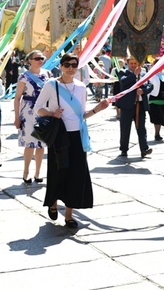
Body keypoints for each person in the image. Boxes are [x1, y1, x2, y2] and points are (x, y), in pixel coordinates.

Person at [36, 53, 109, 228]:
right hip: (59, 136)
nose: (71, 68)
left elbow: (82, 115)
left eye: (74, 65)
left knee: (76, 174)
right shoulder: (51, 84)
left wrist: (98, 109)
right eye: (67, 64)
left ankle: (69, 214)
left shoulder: (81, 87)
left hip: (77, 136)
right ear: (61, 66)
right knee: (58, 171)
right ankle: (53, 202)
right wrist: (52, 113)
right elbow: (38, 108)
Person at [13, 50, 50, 184]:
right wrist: (16, 117)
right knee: (30, 144)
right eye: (37, 58)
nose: (40, 60)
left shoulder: (47, 74)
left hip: (43, 110)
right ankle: (26, 171)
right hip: (28, 111)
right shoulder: (24, 77)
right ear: (30, 60)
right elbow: (17, 98)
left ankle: (38, 173)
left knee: (41, 145)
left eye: (42, 58)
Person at [117, 57, 153, 158]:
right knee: (125, 128)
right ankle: (124, 149)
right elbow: (123, 82)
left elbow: (150, 85)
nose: (133, 65)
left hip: (140, 105)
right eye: (131, 63)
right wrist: (134, 75)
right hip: (127, 106)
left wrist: (143, 91)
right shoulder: (123, 72)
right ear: (128, 64)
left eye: (135, 63)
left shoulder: (144, 73)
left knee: (141, 128)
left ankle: (144, 149)